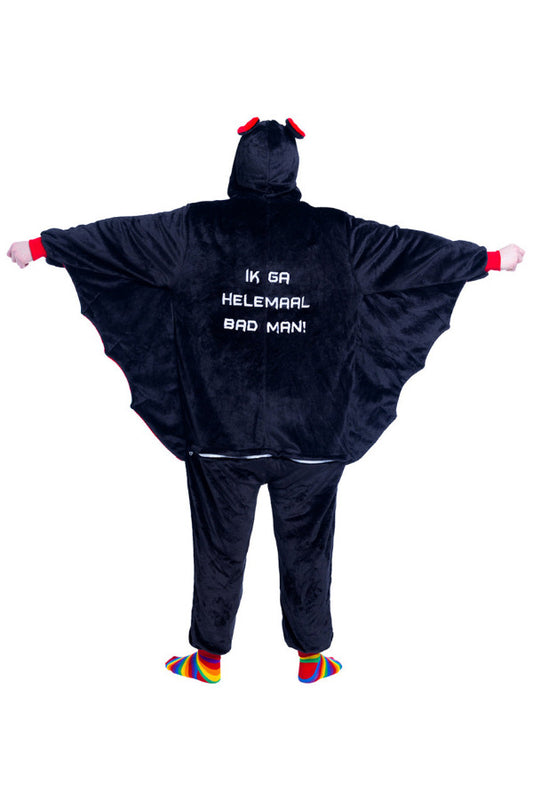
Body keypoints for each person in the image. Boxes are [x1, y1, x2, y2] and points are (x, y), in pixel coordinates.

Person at [7, 118, 525, 685]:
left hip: (220, 434)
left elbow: (118, 241)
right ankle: (312, 658)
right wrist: (486, 259)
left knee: (218, 546)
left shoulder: (195, 228)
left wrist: (44, 246)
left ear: (239, 163)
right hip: (313, 436)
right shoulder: (339, 234)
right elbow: (411, 253)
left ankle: (207, 660)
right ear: (295, 166)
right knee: (309, 546)